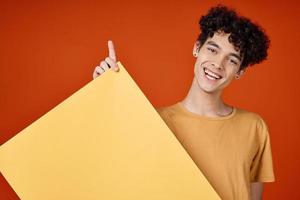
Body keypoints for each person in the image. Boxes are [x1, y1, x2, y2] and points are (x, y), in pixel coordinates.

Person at [92, 5, 275, 200]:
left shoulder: (254, 127)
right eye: (213, 49)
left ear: (240, 71)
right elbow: (114, 166)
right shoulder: (156, 122)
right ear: (197, 48)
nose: (218, 64)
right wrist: (106, 90)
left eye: (231, 60)